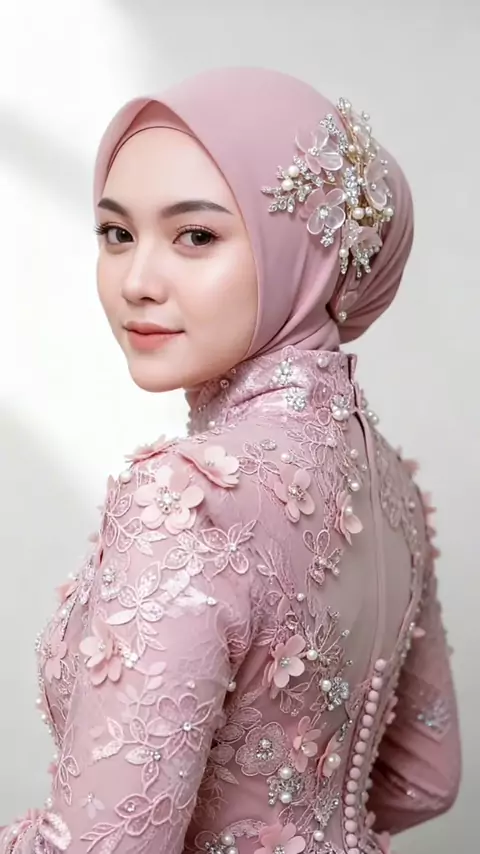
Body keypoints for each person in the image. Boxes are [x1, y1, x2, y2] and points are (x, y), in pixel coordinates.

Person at [1, 67, 461, 854]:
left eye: (196, 236)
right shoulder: (388, 482)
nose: (137, 282)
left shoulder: (185, 499)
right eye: (116, 234)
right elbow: (426, 778)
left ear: (306, 253)